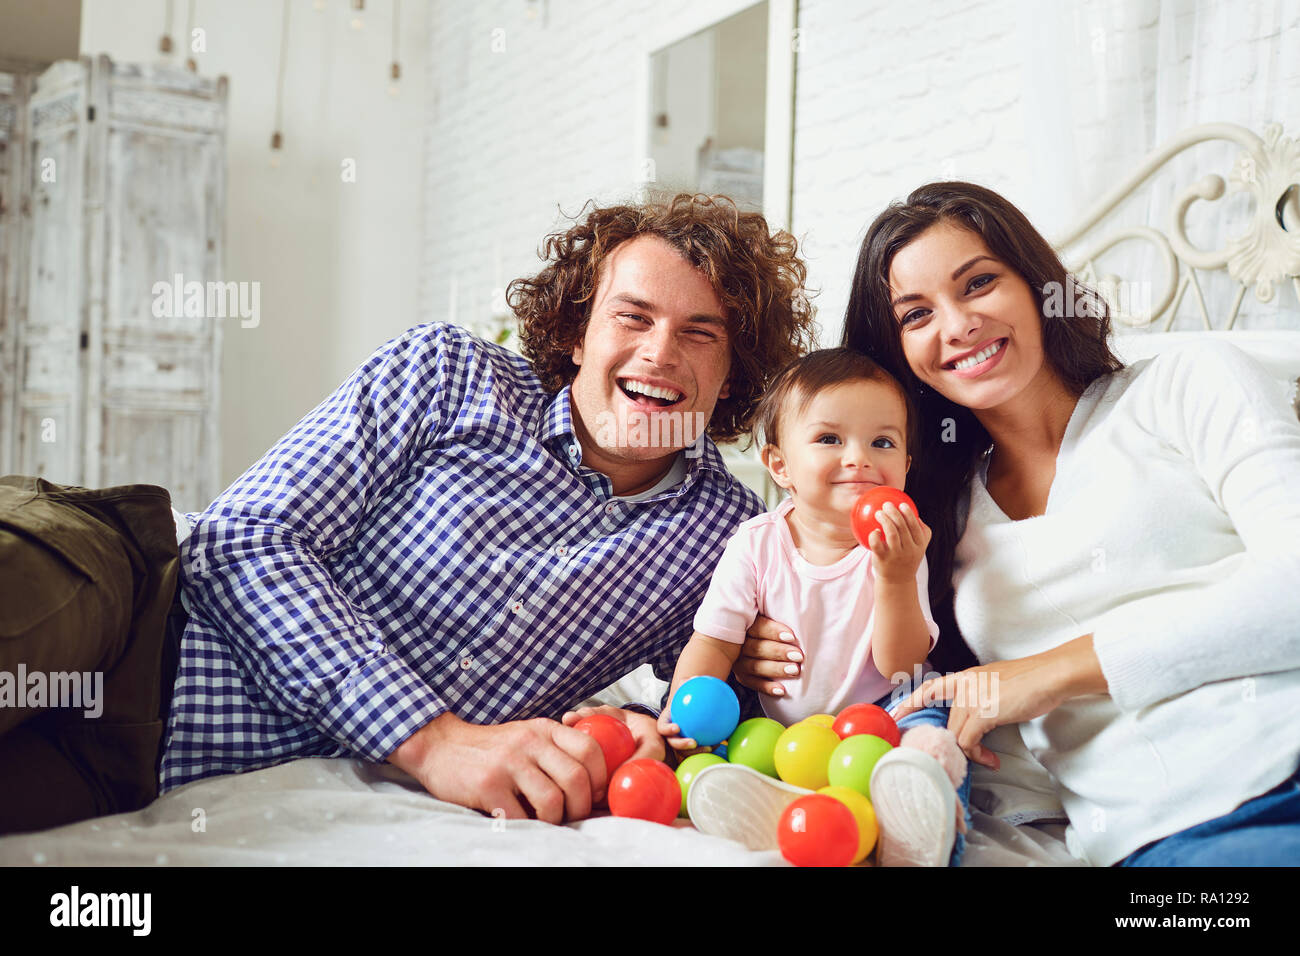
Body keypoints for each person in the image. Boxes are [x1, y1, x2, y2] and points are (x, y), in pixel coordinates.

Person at [143, 194, 814, 826]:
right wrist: (431, 741)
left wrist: (646, 732)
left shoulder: (727, 536)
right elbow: (240, 538)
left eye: (701, 334)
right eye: (631, 316)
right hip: (142, 631)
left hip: (167, 787)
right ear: (578, 331)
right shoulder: (446, 374)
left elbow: (718, 725)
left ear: (735, 373)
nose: (659, 353)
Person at [735, 181, 1300, 866]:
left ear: (1037, 286)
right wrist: (758, 640)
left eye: (978, 284)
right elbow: (902, 668)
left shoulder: (1187, 385)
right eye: (916, 315)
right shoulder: (934, 513)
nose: (957, 324)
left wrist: (1050, 672)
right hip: (1158, 841)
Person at [656, 348, 972, 865]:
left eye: (883, 442)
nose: (859, 458)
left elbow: (903, 668)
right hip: (787, 732)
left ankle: (920, 822)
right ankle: (776, 799)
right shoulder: (754, 544)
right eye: (830, 439)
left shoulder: (899, 545)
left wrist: (893, 576)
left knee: (932, 726)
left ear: (906, 467)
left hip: (886, 714)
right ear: (779, 465)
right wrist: (683, 709)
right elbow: (713, 642)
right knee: (728, 743)